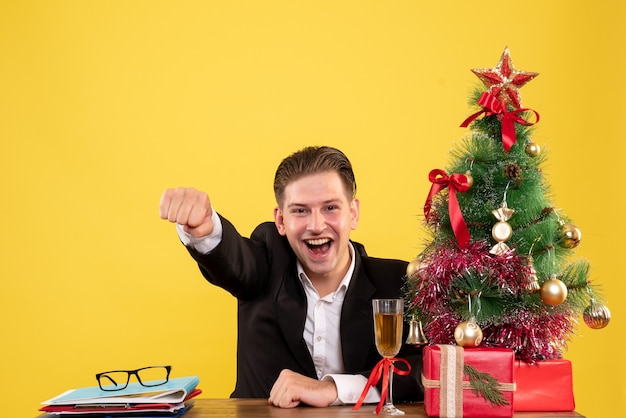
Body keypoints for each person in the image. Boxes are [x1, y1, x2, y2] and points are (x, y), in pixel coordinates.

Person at [159, 146, 423, 408]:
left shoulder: (399, 281)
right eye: (300, 210)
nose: (316, 225)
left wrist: (333, 389)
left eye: (330, 207)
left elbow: (428, 368)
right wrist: (204, 229)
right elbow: (236, 261)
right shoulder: (266, 263)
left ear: (353, 213)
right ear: (281, 220)